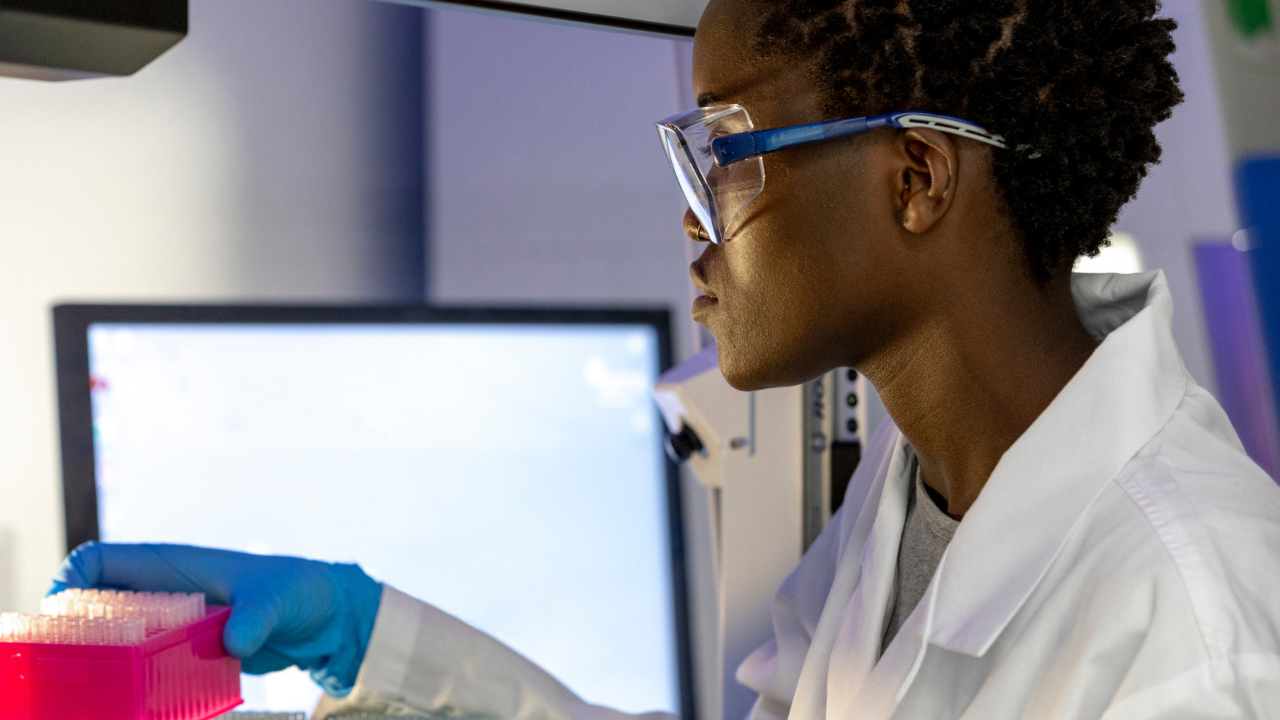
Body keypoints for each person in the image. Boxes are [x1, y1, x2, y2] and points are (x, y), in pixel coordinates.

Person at [50, 0, 1280, 717]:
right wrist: (377, 640)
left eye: (727, 148)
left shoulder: (1190, 629)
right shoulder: (916, 492)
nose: (694, 218)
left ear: (914, 180)